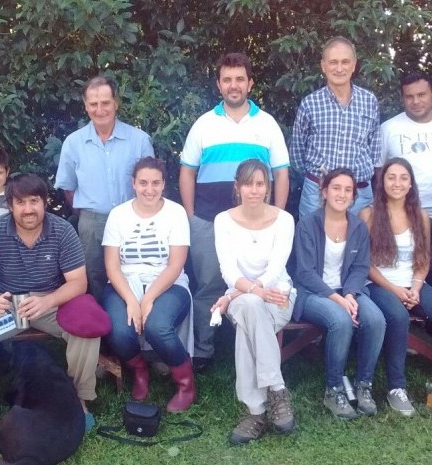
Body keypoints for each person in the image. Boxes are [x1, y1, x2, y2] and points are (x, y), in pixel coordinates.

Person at [0, 173, 101, 442]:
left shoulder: (62, 230)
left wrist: (47, 300)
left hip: (51, 301)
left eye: (34, 201)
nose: (28, 209)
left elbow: (78, 282)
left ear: (44, 203)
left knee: (87, 327)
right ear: (10, 205)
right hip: (7, 303)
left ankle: (79, 399)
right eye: (21, 202)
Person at [180, 52, 290, 372]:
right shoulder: (204, 124)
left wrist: (277, 217)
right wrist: (191, 216)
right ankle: (203, 350)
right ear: (219, 84)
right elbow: (187, 171)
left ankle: (256, 347)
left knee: (257, 282)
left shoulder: (266, 124)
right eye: (227, 79)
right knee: (209, 286)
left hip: (258, 224)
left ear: (250, 83)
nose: (233, 85)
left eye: (240, 78)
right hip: (209, 222)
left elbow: (281, 173)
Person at [360, 159, 432, 416]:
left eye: (403, 178)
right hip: (379, 284)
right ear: (382, 181)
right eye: (391, 177)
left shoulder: (420, 216)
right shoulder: (368, 215)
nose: (397, 183)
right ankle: (396, 388)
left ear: (411, 183)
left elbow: (423, 259)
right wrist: (395, 290)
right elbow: (364, 264)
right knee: (398, 317)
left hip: (413, 284)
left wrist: (414, 287)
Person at [210, 159, 295, 445]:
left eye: (260, 184)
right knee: (250, 307)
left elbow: (275, 269)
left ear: (268, 187)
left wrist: (248, 291)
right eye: (248, 184)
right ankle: (277, 389)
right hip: (244, 296)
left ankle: (255, 412)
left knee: (250, 315)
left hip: (278, 295)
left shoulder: (284, 219)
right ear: (237, 187)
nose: (254, 190)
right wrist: (247, 292)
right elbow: (229, 271)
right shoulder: (223, 220)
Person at [102, 157, 195, 412]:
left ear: (164, 184)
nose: (149, 189)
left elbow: (176, 265)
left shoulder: (175, 213)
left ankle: (186, 384)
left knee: (158, 327)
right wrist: (132, 300)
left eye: (155, 183)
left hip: (168, 283)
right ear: (133, 183)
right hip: (125, 282)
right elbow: (112, 266)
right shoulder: (118, 215)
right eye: (143, 183)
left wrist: (148, 299)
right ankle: (140, 370)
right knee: (120, 331)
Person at [292, 168, 385, 419]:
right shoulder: (308, 224)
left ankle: (364, 386)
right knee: (340, 320)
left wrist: (352, 295)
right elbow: (305, 272)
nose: (341, 194)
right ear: (324, 191)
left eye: (347, 190)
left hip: (348, 291)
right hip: (313, 293)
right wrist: (338, 299)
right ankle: (333, 390)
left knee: (376, 320)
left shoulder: (358, 227)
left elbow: (360, 268)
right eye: (336, 188)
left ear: (354, 197)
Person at [54, 75, 154, 302]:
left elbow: (150, 184)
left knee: (135, 273)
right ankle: (102, 335)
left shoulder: (139, 140)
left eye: (105, 103)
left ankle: (134, 329)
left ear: (116, 103)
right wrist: (89, 214)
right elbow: (68, 188)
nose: (100, 109)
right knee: (94, 278)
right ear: (86, 106)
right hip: (92, 223)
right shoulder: (73, 143)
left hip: (134, 220)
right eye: (93, 104)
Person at [378, 71, 432, 283]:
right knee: (403, 269)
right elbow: (380, 173)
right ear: (402, 98)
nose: (415, 101)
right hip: (401, 216)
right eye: (409, 96)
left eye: (421, 94)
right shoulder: (388, 128)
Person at [291, 36, 381, 217]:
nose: (339, 68)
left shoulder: (369, 101)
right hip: (316, 195)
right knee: (312, 243)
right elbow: (297, 152)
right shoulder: (310, 104)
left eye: (345, 62)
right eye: (333, 62)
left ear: (354, 65)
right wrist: (317, 180)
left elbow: (374, 151)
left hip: (359, 195)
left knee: (358, 244)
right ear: (323, 66)